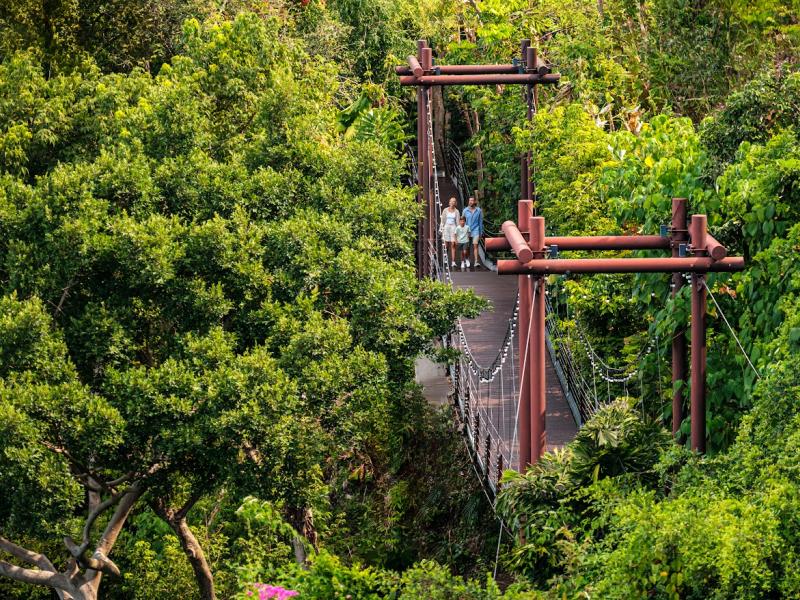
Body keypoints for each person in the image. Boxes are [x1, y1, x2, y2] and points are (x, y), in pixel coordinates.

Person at [462, 196, 483, 270]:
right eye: (470, 200)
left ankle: (476, 261)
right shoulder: (465, 210)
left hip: (476, 230)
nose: (471, 202)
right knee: (467, 247)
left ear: (474, 201)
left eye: (472, 200)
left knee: (475, 245)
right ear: (468, 201)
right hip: (467, 231)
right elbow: (462, 221)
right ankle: (467, 259)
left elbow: (480, 222)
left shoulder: (479, 210)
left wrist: (481, 232)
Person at [439, 197, 460, 268]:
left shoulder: (457, 211)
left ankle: (453, 262)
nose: (452, 203)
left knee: (453, 244)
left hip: (453, 228)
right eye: (451, 201)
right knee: (446, 245)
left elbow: (457, 223)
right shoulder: (445, 210)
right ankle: (445, 260)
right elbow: (442, 221)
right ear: (449, 202)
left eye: (454, 201)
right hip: (446, 228)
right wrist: (440, 230)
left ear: (455, 203)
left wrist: (458, 233)